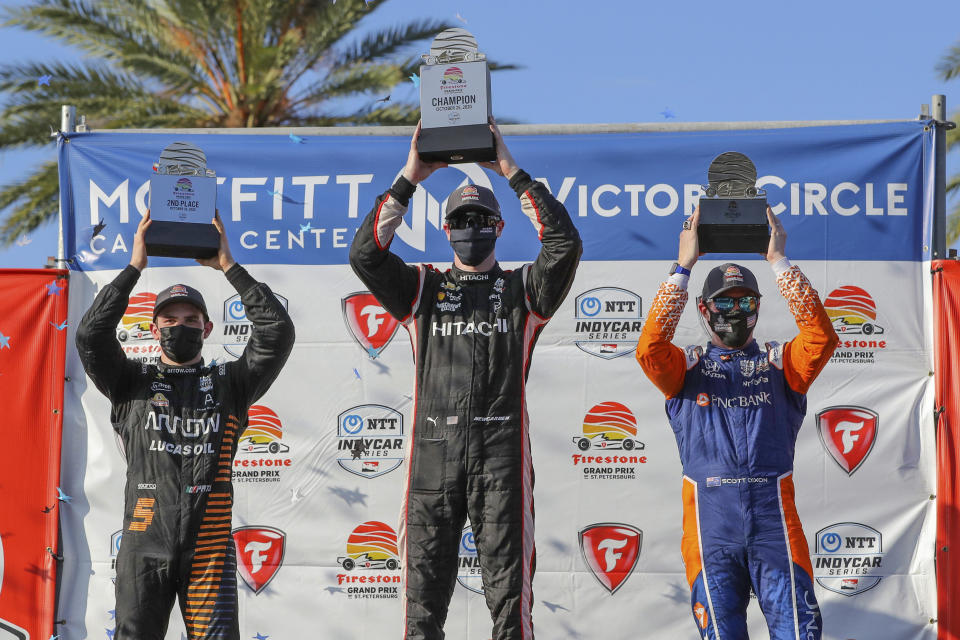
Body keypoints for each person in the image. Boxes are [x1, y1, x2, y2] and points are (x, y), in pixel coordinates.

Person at [349, 118, 582, 640]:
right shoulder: (421, 288)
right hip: (433, 458)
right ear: (446, 229)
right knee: (421, 605)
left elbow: (563, 244)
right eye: (460, 220)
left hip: (503, 458)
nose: (470, 227)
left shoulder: (525, 290)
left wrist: (510, 171)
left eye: (480, 219)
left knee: (510, 602)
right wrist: (412, 176)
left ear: (500, 227)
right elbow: (365, 254)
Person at [75, 212, 295, 640]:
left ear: (208, 328)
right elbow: (90, 336)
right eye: (170, 320)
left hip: (208, 547)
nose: (180, 326)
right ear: (154, 328)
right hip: (143, 543)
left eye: (191, 320)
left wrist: (229, 266)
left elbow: (276, 332)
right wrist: (135, 266)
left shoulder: (230, 383)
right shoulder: (130, 381)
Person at [635, 207, 838, 640]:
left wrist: (779, 262)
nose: (735, 309)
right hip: (711, 530)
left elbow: (821, 337)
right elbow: (650, 349)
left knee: (800, 634)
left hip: (775, 525)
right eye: (725, 301)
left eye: (745, 301)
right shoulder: (684, 368)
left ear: (758, 307)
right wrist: (683, 266)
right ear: (704, 309)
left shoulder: (780, 363)